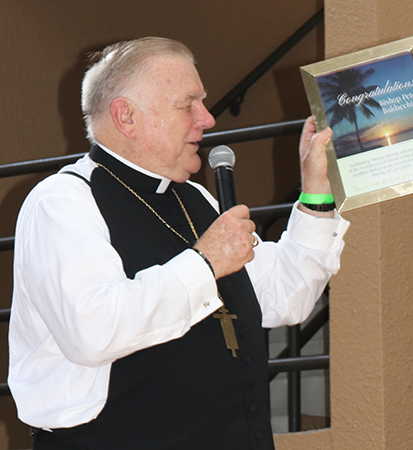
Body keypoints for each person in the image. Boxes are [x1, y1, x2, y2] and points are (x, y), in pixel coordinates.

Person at [8, 37, 349, 450]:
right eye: (187, 104)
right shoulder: (62, 202)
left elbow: (284, 295)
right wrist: (205, 264)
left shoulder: (196, 200)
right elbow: (93, 331)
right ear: (126, 116)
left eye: (202, 103)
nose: (207, 119)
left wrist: (316, 192)